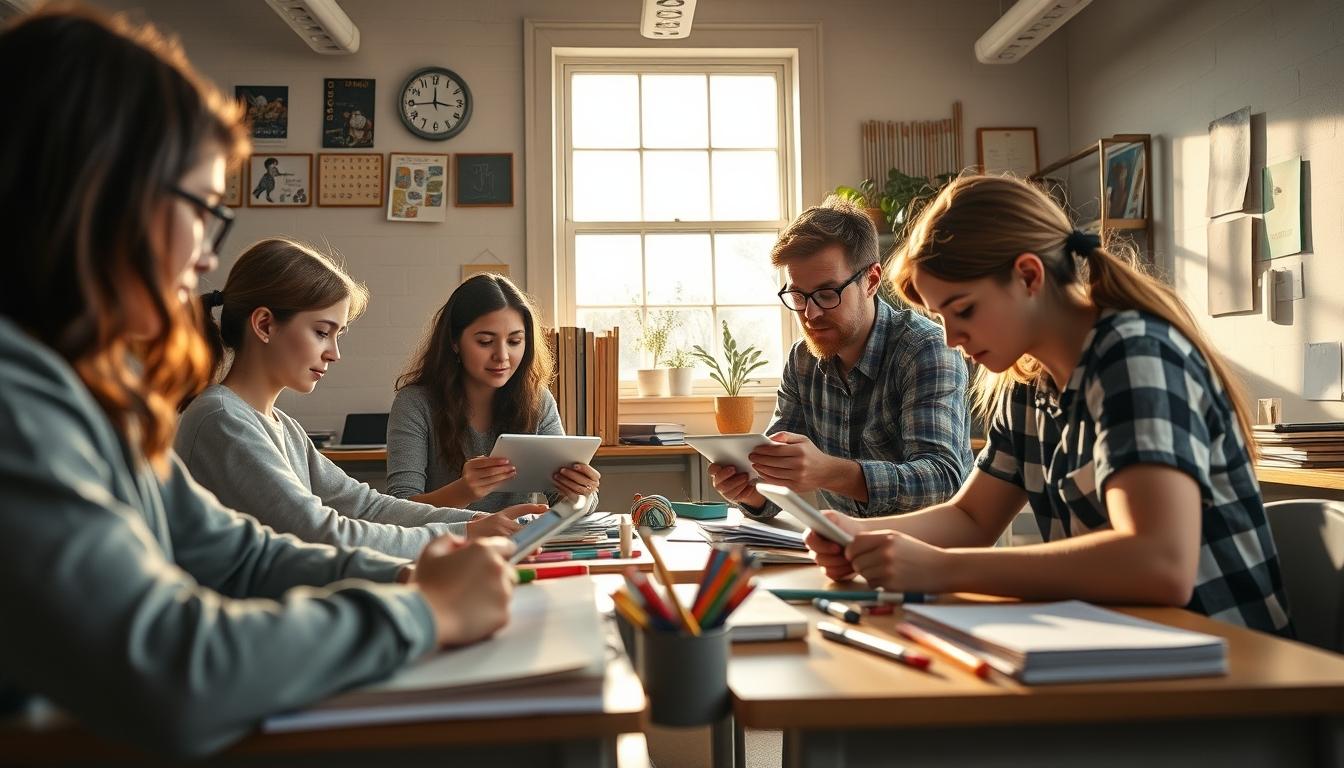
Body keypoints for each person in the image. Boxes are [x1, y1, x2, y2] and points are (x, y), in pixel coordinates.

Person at [0, 8, 515, 757]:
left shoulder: (91, 396)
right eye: (203, 212)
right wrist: (425, 613)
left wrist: (415, 579)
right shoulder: (18, 400)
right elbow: (174, 669)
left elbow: (241, 555)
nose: (207, 259)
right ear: (102, 191)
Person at [805, 174, 1291, 635]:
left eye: (965, 310)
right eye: (940, 317)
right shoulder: (1026, 381)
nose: (951, 339)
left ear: (1028, 276)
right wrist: (859, 535)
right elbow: (972, 519)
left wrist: (943, 568)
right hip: (1124, 647)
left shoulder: (1133, 355)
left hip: (1222, 665)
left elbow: (1159, 563)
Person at [176, 238, 540, 559]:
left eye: (338, 336)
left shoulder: (282, 426)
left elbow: (364, 506)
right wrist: (465, 533)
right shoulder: (222, 418)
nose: (334, 353)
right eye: (322, 332)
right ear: (265, 325)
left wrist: (479, 520)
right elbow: (321, 532)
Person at [708, 197, 973, 518]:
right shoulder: (802, 360)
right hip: (849, 546)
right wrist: (752, 492)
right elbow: (773, 482)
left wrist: (829, 472)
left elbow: (941, 480)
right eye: (798, 295)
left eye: (826, 293)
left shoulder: (925, 348)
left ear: (871, 281)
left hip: (938, 550)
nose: (810, 313)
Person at [387, 274, 601, 510]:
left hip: (519, 544)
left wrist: (580, 494)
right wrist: (464, 491)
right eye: (485, 342)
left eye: (515, 341)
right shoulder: (415, 403)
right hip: (445, 543)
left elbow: (563, 502)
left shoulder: (538, 401)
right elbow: (398, 507)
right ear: (454, 342)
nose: (502, 355)